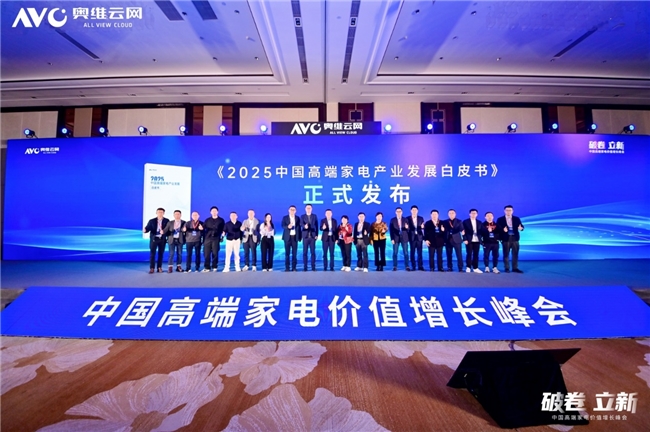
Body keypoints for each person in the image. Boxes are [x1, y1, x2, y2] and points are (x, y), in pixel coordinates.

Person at [497, 205, 525, 273]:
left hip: (515, 238)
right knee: (506, 254)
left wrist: (521, 228)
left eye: (510, 210)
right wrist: (503, 230)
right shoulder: (500, 219)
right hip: (506, 238)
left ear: (512, 211)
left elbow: (521, 226)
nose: (508, 211)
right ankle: (507, 268)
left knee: (515, 254)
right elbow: (497, 229)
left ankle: (515, 268)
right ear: (504, 211)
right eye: (507, 210)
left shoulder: (516, 218)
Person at [143, 208, 169, 273]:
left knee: (161, 254)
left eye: (161, 212)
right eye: (158, 212)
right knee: (152, 254)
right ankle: (152, 268)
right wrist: (145, 230)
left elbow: (168, 230)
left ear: (163, 213)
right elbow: (147, 228)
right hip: (154, 239)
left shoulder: (167, 221)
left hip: (162, 239)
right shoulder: (152, 221)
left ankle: (159, 267)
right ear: (156, 213)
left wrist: (165, 233)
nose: (160, 213)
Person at [202, 206, 224, 272]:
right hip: (207, 238)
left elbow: (223, 230)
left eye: (215, 211)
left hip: (216, 238)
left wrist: (222, 236)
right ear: (210, 212)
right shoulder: (207, 220)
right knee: (206, 253)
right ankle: (207, 267)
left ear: (217, 212)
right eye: (212, 211)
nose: (214, 212)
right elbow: (203, 228)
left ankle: (214, 266)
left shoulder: (221, 220)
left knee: (215, 253)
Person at [463, 209, 483, 273]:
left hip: (477, 240)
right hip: (469, 240)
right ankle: (468, 267)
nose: (473, 214)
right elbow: (463, 232)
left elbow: (481, 231)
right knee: (469, 254)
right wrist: (464, 239)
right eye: (472, 213)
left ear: (477, 214)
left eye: (475, 213)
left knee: (476, 254)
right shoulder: (465, 222)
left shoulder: (479, 222)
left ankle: (475, 267)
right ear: (469, 214)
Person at [281, 205, 301, 272]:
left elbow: (299, 228)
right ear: (288, 210)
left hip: (295, 238)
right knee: (287, 254)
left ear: (295, 211)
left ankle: (294, 267)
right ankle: (287, 268)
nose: (292, 211)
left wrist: (299, 237)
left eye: (293, 210)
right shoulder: (285, 218)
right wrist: (288, 226)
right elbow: (282, 225)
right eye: (291, 209)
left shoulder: (298, 218)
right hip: (287, 238)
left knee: (294, 254)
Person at [407, 205, 426, 271]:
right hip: (411, 237)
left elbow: (422, 227)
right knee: (412, 252)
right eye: (413, 210)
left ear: (417, 211)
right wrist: (407, 228)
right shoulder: (407, 218)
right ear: (411, 211)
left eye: (415, 210)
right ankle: (413, 266)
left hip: (419, 237)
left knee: (420, 252)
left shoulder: (421, 218)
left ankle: (420, 266)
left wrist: (423, 227)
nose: (414, 211)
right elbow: (407, 229)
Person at [300, 204, 318, 271]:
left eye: (309, 208)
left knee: (313, 252)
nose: (308, 209)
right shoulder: (302, 216)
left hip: (312, 237)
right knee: (305, 252)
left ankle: (313, 267)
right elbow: (301, 224)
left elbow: (317, 225)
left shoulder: (314, 216)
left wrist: (316, 235)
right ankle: (305, 267)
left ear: (311, 209)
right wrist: (304, 226)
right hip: (305, 237)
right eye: (307, 208)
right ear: (305, 209)